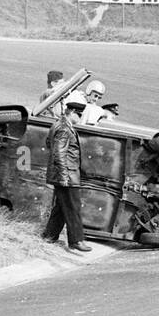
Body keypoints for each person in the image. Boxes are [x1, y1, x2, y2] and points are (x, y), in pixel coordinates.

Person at [42, 95, 91, 252]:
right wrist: (64, 177)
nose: (80, 118)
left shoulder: (60, 125)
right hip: (67, 176)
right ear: (73, 112)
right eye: (80, 115)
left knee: (62, 207)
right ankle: (76, 240)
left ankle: (50, 235)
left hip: (65, 174)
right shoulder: (64, 128)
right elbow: (58, 153)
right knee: (73, 207)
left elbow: (49, 143)